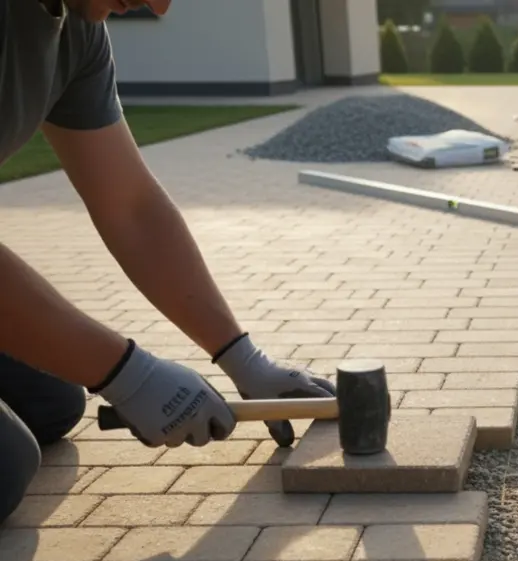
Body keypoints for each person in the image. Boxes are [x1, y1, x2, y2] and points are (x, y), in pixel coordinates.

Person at [1, 0, 335, 522]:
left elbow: (130, 206)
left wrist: (241, 359)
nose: (158, 6)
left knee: (54, 401)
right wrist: (125, 373)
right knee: (6, 465)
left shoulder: (76, 32)